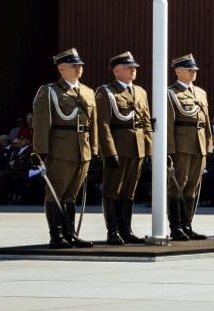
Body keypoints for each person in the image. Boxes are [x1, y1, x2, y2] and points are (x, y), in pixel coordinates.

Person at [33, 48, 99, 248]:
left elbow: (93, 123)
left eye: (80, 65)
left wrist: (94, 148)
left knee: (72, 194)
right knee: (56, 192)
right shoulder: (50, 91)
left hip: (82, 148)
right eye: (73, 65)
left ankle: (71, 234)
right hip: (60, 149)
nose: (78, 68)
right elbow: (41, 124)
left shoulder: (87, 92)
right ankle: (57, 235)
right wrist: (40, 152)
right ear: (61, 68)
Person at [94, 50, 150, 244]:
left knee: (129, 191)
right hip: (118, 147)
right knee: (113, 190)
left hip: (137, 148)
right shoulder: (106, 92)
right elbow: (103, 124)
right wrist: (109, 152)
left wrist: (149, 149)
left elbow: (146, 122)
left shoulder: (140, 92)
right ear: (116, 71)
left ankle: (127, 230)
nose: (133, 70)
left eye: (134, 67)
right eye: (128, 68)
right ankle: (113, 231)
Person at [164, 53, 214, 240]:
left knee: (193, 187)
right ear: (178, 71)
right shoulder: (170, 93)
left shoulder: (200, 93)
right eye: (189, 69)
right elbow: (168, 124)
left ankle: (187, 225)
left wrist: (208, 145)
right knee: (177, 185)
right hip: (182, 146)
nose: (194, 72)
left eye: (195, 69)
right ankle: (176, 227)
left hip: (199, 144)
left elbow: (205, 122)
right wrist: (169, 150)